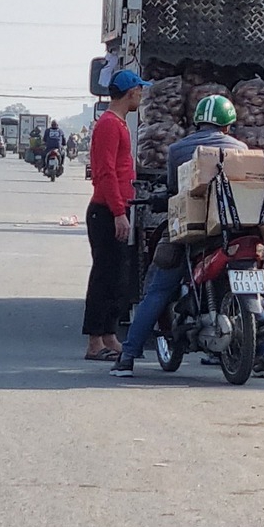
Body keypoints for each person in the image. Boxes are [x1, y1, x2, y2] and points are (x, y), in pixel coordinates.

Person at [111, 94, 264, 379]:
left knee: (158, 287)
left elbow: (173, 189)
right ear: (228, 125)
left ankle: (127, 356)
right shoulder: (241, 149)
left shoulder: (178, 149)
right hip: (239, 231)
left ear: (197, 120)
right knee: (251, 292)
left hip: (193, 234)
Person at [83, 70, 146, 361]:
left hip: (116, 209)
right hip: (107, 211)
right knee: (104, 277)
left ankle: (108, 336)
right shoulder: (109, 125)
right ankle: (96, 342)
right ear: (131, 92)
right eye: (139, 90)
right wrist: (119, 212)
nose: (141, 95)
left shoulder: (117, 124)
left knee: (116, 277)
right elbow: (105, 173)